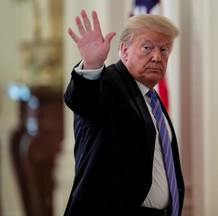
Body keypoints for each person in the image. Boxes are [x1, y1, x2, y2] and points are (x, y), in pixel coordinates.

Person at [63, 9, 185, 216]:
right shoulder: (108, 84)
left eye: (164, 50)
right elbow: (84, 102)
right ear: (124, 51)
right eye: (147, 47)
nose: (157, 57)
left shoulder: (152, 100)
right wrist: (92, 65)